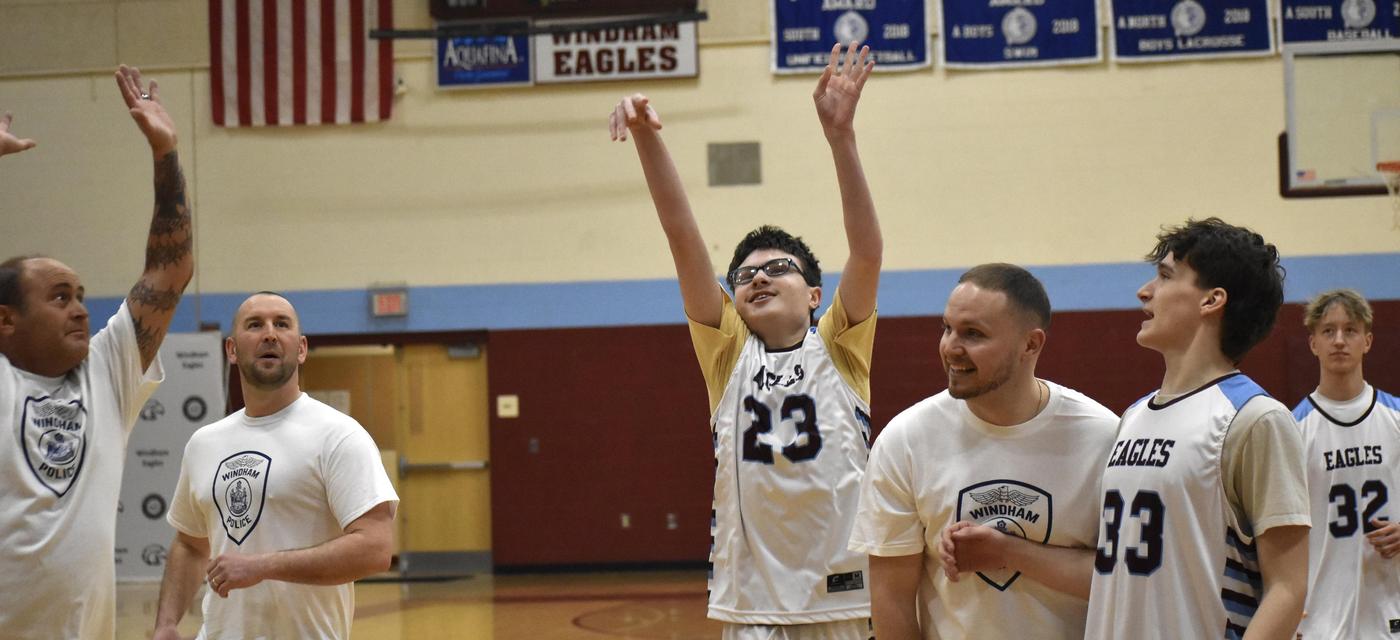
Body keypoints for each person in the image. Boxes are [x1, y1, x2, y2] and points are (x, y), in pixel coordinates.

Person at [610, 41, 882, 639]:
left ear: (815, 294)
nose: (758, 276)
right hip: (751, 599)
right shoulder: (728, 353)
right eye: (744, 274)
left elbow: (866, 250)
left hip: (841, 592)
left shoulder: (839, 345)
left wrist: (842, 139)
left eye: (778, 267)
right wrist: (650, 139)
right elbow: (681, 235)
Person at [0, 65, 193, 639]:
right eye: (60, 298)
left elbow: (170, 269)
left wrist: (166, 154)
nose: (82, 309)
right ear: (6, 320)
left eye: (82, 296)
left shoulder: (106, 376)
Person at [849, 263, 1119, 639]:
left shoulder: (1103, 437)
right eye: (947, 328)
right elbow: (891, 600)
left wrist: (1008, 551)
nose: (951, 348)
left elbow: (1126, 580)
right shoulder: (906, 439)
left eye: (973, 334)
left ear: (1031, 344)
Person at [1086, 218, 1310, 639]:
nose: (1145, 291)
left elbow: (1288, 587)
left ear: (1212, 300)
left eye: (1166, 276)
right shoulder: (1133, 416)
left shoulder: (1254, 418)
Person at [152, 292, 399, 640]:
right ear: (232, 350)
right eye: (255, 325)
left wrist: (262, 566)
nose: (269, 334)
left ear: (300, 348)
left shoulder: (339, 435)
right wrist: (166, 624)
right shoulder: (204, 443)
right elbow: (191, 545)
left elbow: (375, 549)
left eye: (281, 324)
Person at [1291, 289, 1400, 638]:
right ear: (1313, 343)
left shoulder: (1396, 417)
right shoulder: (1292, 429)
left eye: (1350, 330)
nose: (1339, 340)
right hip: (1319, 617)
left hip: (1389, 612)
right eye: (1328, 331)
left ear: (1367, 341)